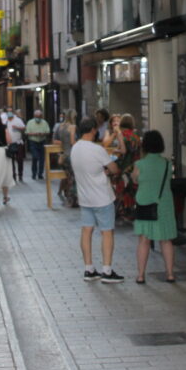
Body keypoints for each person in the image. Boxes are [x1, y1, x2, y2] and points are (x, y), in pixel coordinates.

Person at [69, 118, 123, 283]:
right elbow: (114, 169)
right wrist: (106, 169)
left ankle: (89, 269)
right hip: (102, 197)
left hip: (85, 198)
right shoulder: (96, 149)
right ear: (93, 130)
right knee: (106, 232)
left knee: (86, 231)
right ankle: (107, 271)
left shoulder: (75, 148)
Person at [132, 130, 176, 284]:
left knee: (143, 240)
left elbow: (135, 180)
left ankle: (141, 275)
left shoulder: (139, 164)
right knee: (166, 240)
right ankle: (170, 274)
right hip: (163, 205)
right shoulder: (167, 164)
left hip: (144, 204)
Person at [111, 114, 141, 224]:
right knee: (133, 190)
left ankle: (123, 211)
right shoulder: (136, 136)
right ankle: (132, 212)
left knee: (121, 188)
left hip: (125, 168)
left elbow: (123, 151)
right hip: (136, 167)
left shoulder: (121, 134)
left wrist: (115, 151)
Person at [53, 110, 78, 207]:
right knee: (74, 178)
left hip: (64, 155)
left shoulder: (60, 126)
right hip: (71, 155)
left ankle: (68, 198)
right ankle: (73, 200)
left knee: (68, 177)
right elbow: (72, 142)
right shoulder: (72, 126)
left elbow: (57, 140)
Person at [25, 109, 51, 181]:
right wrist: (34, 134)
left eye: (39, 116)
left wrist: (43, 134)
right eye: (37, 116)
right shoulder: (30, 122)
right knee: (35, 157)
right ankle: (34, 173)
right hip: (33, 141)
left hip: (42, 141)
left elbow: (48, 132)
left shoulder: (44, 122)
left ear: (41, 116)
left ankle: (40, 174)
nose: (38, 117)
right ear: (34, 116)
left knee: (42, 158)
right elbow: (27, 132)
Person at [5, 108, 26, 182]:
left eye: (10, 112)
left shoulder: (18, 120)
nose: (9, 113)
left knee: (19, 159)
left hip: (18, 142)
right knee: (11, 160)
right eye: (8, 112)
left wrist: (17, 128)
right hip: (9, 143)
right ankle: (13, 175)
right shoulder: (6, 121)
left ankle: (20, 175)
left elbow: (24, 128)